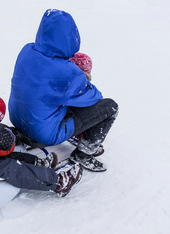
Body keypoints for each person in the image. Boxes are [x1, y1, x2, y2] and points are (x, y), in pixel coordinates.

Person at [8, 9, 118, 172]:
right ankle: (83, 154)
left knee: (55, 97)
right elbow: (94, 97)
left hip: (18, 120)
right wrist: (82, 77)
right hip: (43, 135)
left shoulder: (26, 50)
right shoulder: (67, 72)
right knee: (109, 107)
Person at [0, 85, 58, 169]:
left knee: (1, 129)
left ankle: (20, 138)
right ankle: (41, 165)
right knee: (12, 157)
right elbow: (5, 150)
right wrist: (12, 141)